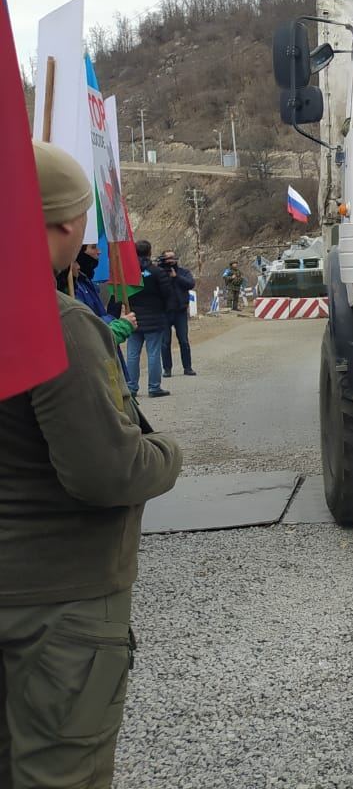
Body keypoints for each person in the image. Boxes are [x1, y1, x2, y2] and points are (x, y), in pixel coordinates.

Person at [1, 140, 182, 789]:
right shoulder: (55, 324)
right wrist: (167, 454)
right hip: (56, 606)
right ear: (69, 225)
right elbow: (106, 472)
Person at [124, 240, 174, 398]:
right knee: (153, 353)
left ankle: (131, 387)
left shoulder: (128, 272)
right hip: (154, 318)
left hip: (133, 319)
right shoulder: (157, 272)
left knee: (132, 354)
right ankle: (154, 387)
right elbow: (168, 293)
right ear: (150, 252)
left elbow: (121, 293)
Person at [68, 244, 135, 346]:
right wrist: (115, 319)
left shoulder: (86, 281)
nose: (99, 251)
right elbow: (88, 332)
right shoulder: (74, 288)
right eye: (93, 247)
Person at [159, 249, 196, 378]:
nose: (170, 260)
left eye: (172, 258)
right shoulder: (159, 273)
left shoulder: (183, 272)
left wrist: (176, 277)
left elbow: (191, 284)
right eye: (168, 258)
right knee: (165, 342)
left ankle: (188, 367)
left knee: (184, 341)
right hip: (164, 312)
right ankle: (167, 369)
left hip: (180, 311)